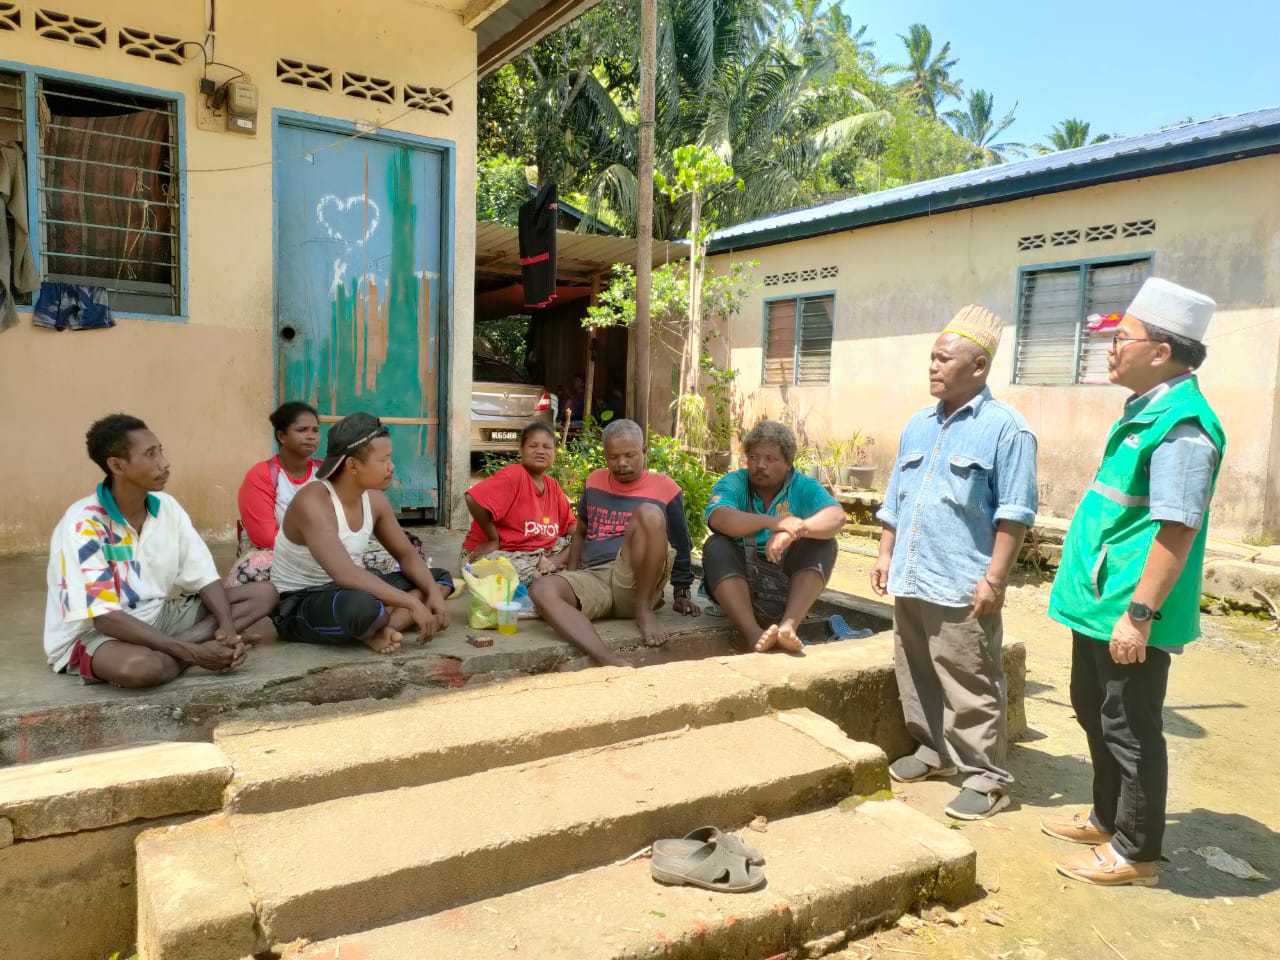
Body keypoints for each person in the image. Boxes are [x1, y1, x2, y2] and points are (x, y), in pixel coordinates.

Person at [1043, 278, 1225, 887]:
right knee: (1094, 712)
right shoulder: (1147, 412)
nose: (1110, 349)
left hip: (1129, 608)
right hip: (1100, 602)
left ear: (1161, 351)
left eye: (1122, 338)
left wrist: (1139, 614)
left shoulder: (1183, 429)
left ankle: (1135, 854)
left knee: (1131, 727)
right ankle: (1105, 816)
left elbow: (1177, 532)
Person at [872, 305, 1038, 821]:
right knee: (915, 667)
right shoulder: (917, 426)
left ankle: (986, 779)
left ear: (979, 366)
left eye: (944, 359)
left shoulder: (1007, 430)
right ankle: (933, 750)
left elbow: (1014, 513)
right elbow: (896, 497)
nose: (933, 367)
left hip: (964, 582)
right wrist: (883, 552)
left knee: (971, 679)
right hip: (913, 575)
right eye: (931, 358)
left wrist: (995, 578)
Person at [44, 414, 277, 688]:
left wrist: (227, 630)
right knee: (140, 668)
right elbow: (105, 619)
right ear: (117, 465)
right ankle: (188, 651)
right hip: (97, 633)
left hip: (158, 616)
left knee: (264, 593)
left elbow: (204, 577)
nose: (164, 463)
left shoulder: (167, 507)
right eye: (150, 455)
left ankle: (181, 650)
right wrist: (194, 653)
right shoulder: (82, 523)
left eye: (161, 451)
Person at [270, 412, 451, 655]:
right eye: (384, 460)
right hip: (302, 602)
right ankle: (379, 622)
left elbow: (406, 555)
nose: (392, 466)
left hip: (353, 586)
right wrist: (411, 602)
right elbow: (345, 574)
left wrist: (432, 595)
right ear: (352, 465)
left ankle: (382, 630)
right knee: (362, 607)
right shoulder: (313, 502)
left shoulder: (374, 498)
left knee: (438, 579)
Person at [528, 419, 700, 666]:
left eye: (630, 455)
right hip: (595, 577)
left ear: (644, 451)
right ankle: (606, 658)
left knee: (649, 513)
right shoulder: (594, 481)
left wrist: (682, 592)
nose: (621, 463)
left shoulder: (666, 488)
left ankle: (643, 610)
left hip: (635, 578)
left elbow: (681, 544)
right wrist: (573, 575)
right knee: (541, 589)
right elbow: (582, 531)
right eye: (613, 457)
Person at [227, 402, 436, 586]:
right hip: (282, 550)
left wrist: (336, 552)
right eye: (302, 430)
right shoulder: (263, 474)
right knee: (253, 568)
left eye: (315, 430)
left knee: (400, 558)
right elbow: (264, 536)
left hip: (332, 546)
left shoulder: (327, 473)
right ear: (282, 436)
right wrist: (326, 553)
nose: (311, 436)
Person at [702, 420, 845, 654]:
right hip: (740, 589)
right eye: (755, 457)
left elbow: (836, 517)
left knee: (824, 543)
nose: (761, 465)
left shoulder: (803, 486)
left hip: (786, 587)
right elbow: (719, 517)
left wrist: (795, 531)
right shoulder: (735, 482)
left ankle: (789, 626)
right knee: (716, 545)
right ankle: (753, 634)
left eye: (771, 459)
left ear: (788, 463)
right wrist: (775, 523)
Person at [460, 422, 576, 584]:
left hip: (536, 551)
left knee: (581, 543)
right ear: (521, 450)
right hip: (496, 552)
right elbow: (472, 498)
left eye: (547, 447)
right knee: (530, 577)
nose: (540, 451)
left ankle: (552, 564)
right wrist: (493, 539)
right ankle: (546, 571)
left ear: (554, 453)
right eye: (533, 446)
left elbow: (571, 526)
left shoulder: (552, 485)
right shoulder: (514, 475)